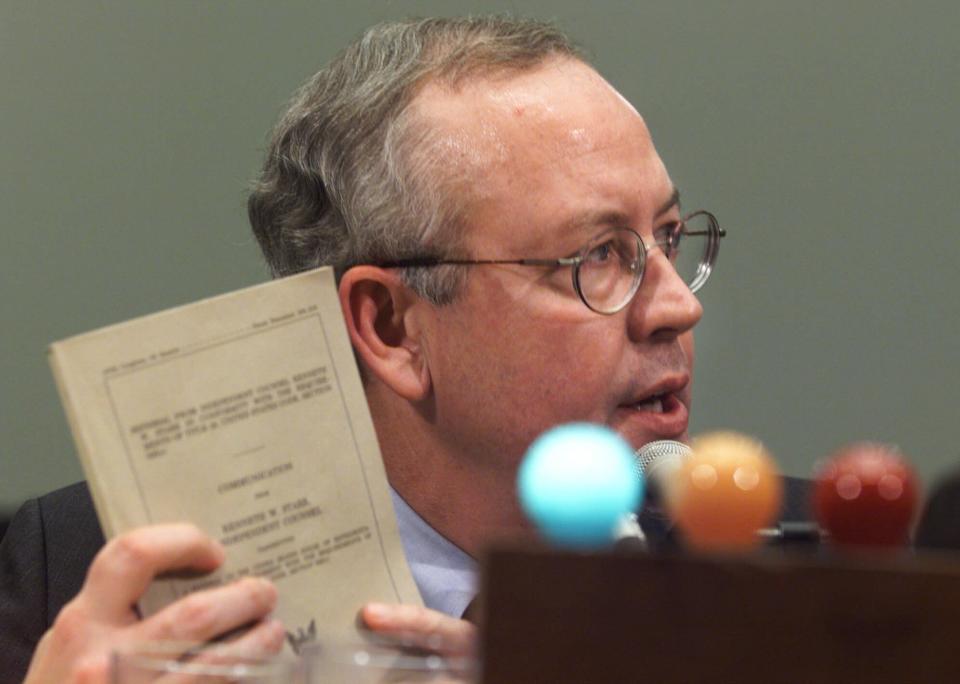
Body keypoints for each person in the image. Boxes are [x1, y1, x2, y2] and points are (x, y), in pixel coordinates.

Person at [0, 15, 742, 682]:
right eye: (598, 255)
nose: (680, 304)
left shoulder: (801, 578)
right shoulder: (78, 585)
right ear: (391, 327)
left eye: (668, 236)